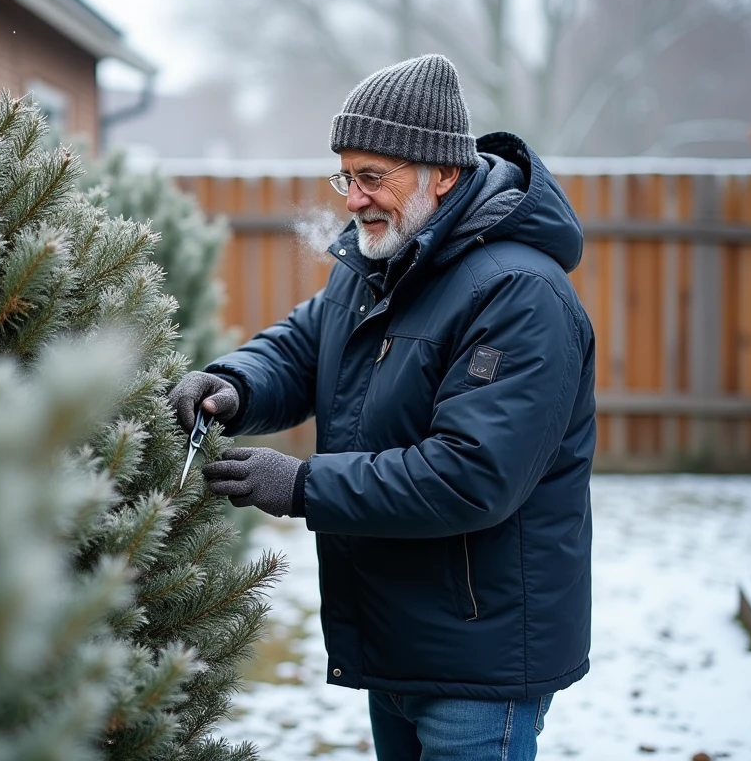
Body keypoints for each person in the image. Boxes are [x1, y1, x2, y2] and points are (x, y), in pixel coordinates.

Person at [167, 54, 596, 761]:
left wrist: (302, 486)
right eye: (347, 176)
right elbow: (301, 349)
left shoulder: (519, 293)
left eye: (373, 177)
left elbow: (471, 475)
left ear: (444, 174)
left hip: (478, 655)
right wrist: (232, 384)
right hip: (398, 638)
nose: (353, 199)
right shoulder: (380, 265)